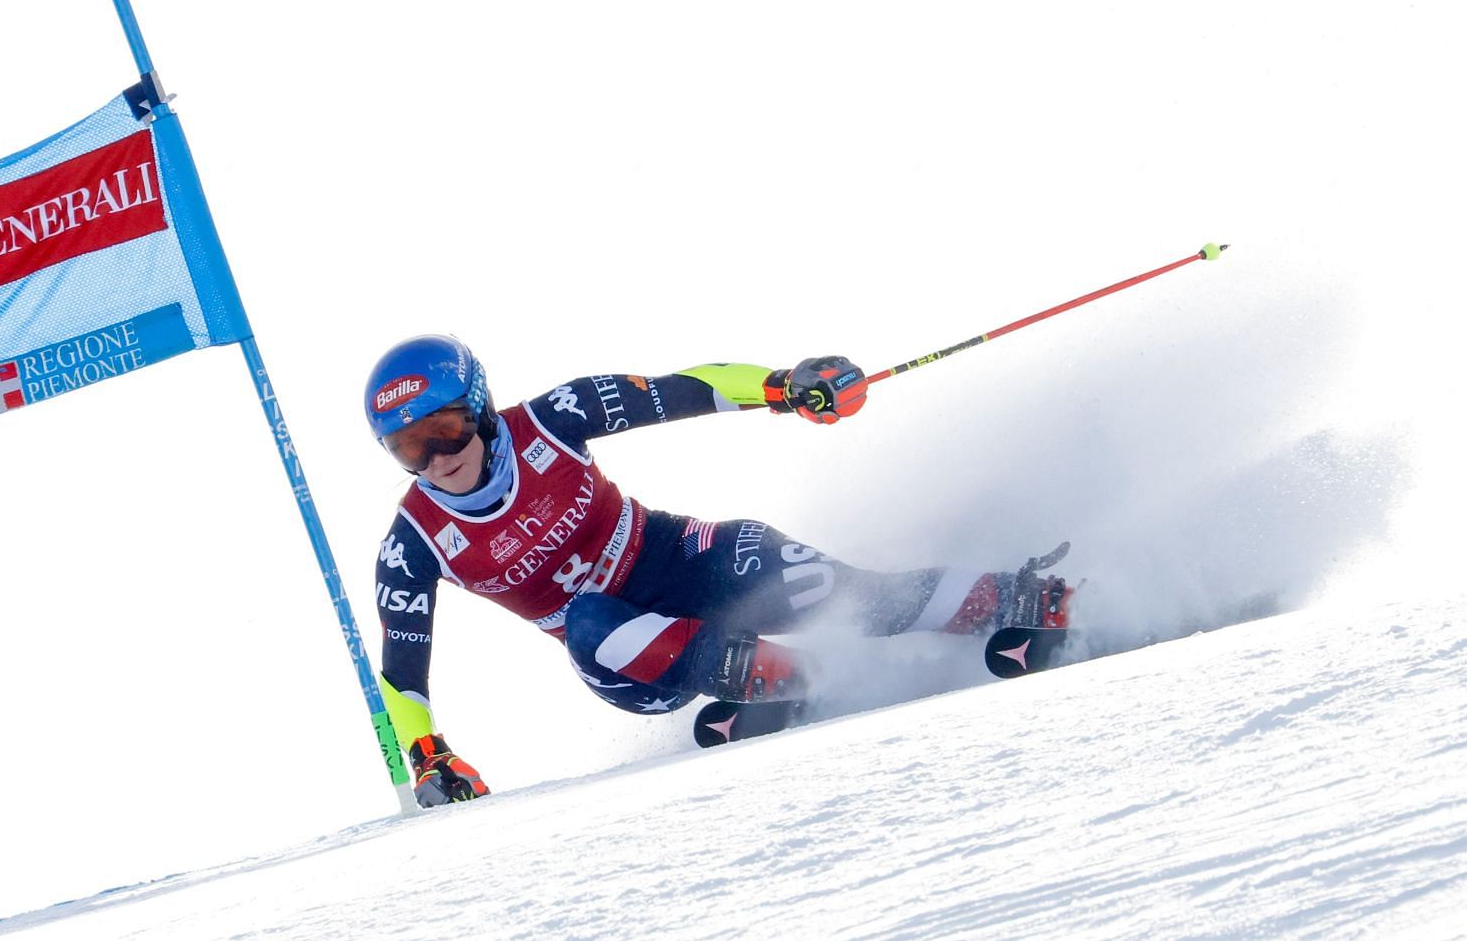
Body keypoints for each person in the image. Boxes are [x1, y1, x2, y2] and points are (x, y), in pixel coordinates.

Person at [365, 335, 1067, 807]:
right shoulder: (415, 541)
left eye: (446, 429)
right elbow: (402, 671)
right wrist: (431, 756)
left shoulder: (552, 419)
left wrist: (783, 387)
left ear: (481, 409)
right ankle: (811, 682)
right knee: (586, 615)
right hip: (628, 656)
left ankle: (1028, 601)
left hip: (676, 556)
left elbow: (677, 390)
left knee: (829, 588)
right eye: (410, 448)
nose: (436, 459)